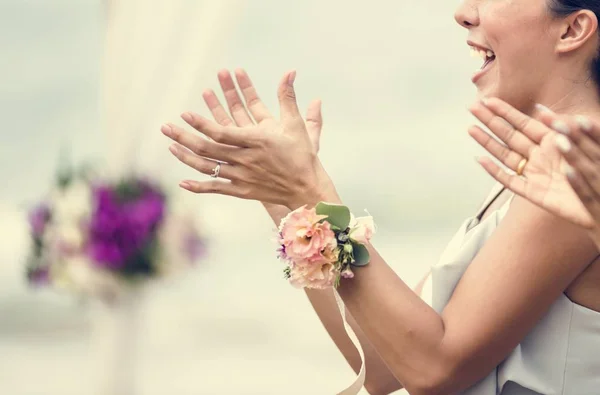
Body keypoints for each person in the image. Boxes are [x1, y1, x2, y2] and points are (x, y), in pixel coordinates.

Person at [160, 1, 600, 394]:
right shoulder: (543, 167)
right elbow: (383, 365)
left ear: (572, 29)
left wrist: (311, 190)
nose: (464, 12)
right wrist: (292, 202)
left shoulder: (576, 175)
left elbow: (434, 371)